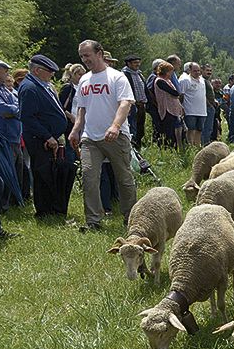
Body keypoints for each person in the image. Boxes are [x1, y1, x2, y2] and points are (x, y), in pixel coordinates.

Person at [68, 40, 136, 232]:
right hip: (90, 137)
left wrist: (115, 126)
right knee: (89, 177)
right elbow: (82, 108)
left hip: (116, 135)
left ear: (99, 53)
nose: (84, 59)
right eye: (82, 56)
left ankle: (130, 216)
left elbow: (125, 104)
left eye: (87, 55)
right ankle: (93, 221)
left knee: (123, 178)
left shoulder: (117, 77)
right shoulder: (84, 80)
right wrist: (76, 129)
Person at [18, 54, 74, 220]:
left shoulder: (42, 85)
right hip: (39, 139)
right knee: (42, 174)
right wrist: (47, 136)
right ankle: (44, 211)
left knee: (51, 172)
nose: (52, 74)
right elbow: (27, 117)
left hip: (50, 138)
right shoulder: (29, 88)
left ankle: (52, 208)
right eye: (48, 71)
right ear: (37, 70)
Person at [0, 58, 20, 238]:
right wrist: (18, 110)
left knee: (0, 183)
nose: (8, 73)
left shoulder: (2, 88)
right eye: (5, 70)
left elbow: (14, 106)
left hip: (7, 139)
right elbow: (4, 110)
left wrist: (16, 109)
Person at [152, 61, 183, 148]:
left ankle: (173, 147)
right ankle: (167, 148)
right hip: (166, 109)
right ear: (166, 71)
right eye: (170, 71)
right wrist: (176, 93)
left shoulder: (168, 81)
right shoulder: (160, 81)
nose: (171, 73)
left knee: (174, 131)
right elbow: (175, 92)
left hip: (173, 109)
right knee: (168, 131)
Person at [179, 62, 207, 149]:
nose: (197, 73)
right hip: (190, 110)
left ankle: (197, 147)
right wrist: (181, 107)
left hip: (202, 111)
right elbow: (181, 95)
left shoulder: (202, 80)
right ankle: (190, 147)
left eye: (199, 71)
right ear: (189, 70)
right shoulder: (185, 80)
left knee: (199, 130)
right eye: (195, 71)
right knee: (191, 129)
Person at [122, 55, 147, 148]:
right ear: (129, 64)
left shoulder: (139, 74)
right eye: (135, 63)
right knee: (132, 126)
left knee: (140, 126)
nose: (138, 64)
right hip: (132, 104)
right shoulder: (124, 74)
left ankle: (138, 144)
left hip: (141, 104)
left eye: (138, 62)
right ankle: (133, 145)